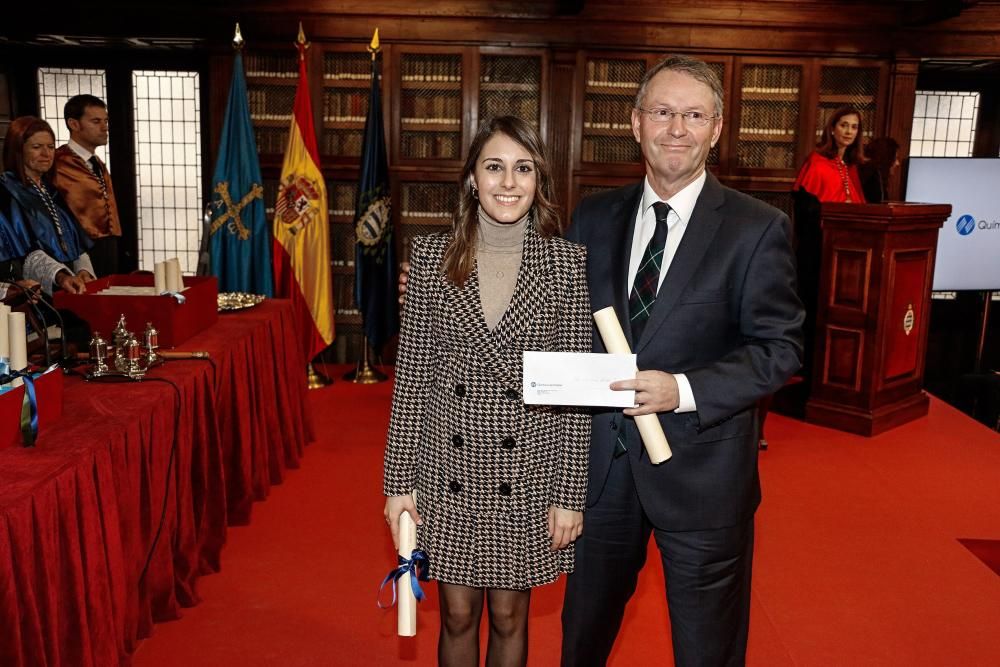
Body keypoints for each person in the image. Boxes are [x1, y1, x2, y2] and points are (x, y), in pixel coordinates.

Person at [560, 55, 803, 666]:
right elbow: (551, 315)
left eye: (693, 115)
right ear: (635, 122)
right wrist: (446, 287)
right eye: (663, 112)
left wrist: (685, 389)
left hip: (703, 480)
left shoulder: (757, 228)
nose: (676, 129)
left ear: (717, 129)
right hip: (601, 474)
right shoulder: (592, 216)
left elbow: (780, 348)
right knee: (581, 641)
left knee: (707, 652)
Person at [383, 116, 591, 667]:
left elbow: (573, 398)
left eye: (523, 169)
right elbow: (411, 383)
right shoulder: (430, 259)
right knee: (455, 616)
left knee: (508, 617)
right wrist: (398, 484)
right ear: (472, 178)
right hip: (445, 471)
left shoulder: (566, 266)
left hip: (525, 472)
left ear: (539, 180)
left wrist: (569, 494)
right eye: (493, 167)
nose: (508, 182)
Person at [791, 106, 866, 379]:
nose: (848, 131)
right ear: (832, 129)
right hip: (818, 249)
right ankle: (807, 366)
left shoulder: (856, 167)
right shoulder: (816, 161)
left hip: (848, 255)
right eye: (843, 125)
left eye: (854, 127)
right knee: (814, 307)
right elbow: (804, 209)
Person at [1, 116, 95, 295]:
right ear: (18, 151)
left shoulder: (52, 191)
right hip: (33, 294)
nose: (46, 154)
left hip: (69, 287)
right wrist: (61, 276)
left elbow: (74, 241)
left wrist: (83, 270)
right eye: (37, 147)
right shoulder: (6, 192)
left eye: (50, 147)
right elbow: (23, 251)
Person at [52, 94, 122, 276]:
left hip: (109, 245)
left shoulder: (96, 163)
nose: (104, 127)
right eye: (96, 121)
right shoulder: (57, 162)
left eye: (106, 121)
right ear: (74, 124)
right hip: (77, 248)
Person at [858, 136, 900, 203]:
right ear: (886, 159)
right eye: (895, 158)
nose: (898, 163)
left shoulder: (870, 172)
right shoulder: (874, 176)